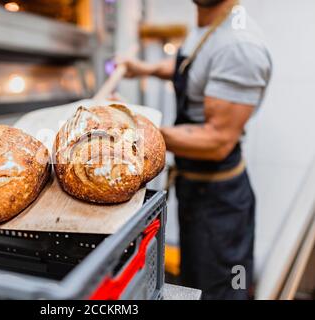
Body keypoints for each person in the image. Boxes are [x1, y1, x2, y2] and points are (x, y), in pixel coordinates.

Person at [119, 0, 272, 299]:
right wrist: (146, 69)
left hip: (219, 203)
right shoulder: (210, 25)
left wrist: (132, 130)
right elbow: (195, 69)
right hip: (196, 190)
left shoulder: (240, 46)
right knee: (194, 284)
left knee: (221, 289)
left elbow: (216, 141)